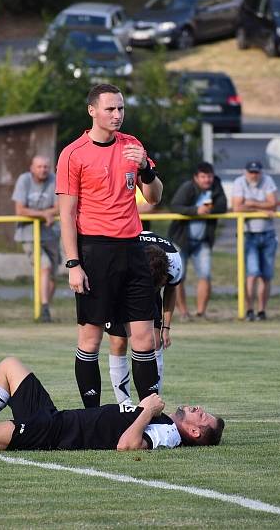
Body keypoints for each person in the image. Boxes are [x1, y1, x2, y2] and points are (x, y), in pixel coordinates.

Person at [56, 83, 164, 409]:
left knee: (145, 337)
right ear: (92, 111)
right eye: (110, 109)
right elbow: (66, 213)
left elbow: (155, 198)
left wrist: (146, 168)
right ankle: (93, 415)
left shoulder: (133, 145)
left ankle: (149, 413)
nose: (117, 115)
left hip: (133, 249)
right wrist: (73, 264)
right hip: (94, 252)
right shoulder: (73, 153)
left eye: (120, 109)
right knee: (91, 339)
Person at [0, 356, 225, 454]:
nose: (195, 407)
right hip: (56, 419)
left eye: (200, 414)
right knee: (10, 366)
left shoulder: (170, 435)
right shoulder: (165, 421)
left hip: (55, 435)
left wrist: (146, 410)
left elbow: (126, 446)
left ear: (195, 431)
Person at [106, 231, 183, 405]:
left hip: (150, 280)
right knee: (118, 342)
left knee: (154, 342)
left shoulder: (174, 262)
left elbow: (171, 290)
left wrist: (166, 328)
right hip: (122, 286)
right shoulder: (123, 257)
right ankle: (124, 405)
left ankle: (153, 402)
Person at [167, 162, 227, 320]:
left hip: (203, 241)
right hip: (181, 240)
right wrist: (196, 211)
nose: (207, 180)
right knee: (178, 277)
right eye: (203, 176)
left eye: (209, 176)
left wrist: (209, 210)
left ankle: (201, 313)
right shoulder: (187, 187)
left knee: (205, 275)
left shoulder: (216, 186)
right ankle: (183, 313)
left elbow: (223, 206)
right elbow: (175, 206)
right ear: (196, 177)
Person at [12, 156, 60, 323]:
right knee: (44, 267)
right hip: (29, 233)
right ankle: (44, 309)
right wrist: (43, 213)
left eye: (46, 167)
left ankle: (43, 308)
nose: (43, 170)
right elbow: (20, 210)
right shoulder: (24, 180)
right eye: (39, 166)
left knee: (53, 275)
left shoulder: (55, 179)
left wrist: (49, 213)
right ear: (32, 168)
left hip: (51, 233)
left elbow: (59, 206)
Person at [231, 160, 278, 322]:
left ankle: (262, 311)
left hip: (268, 233)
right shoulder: (239, 182)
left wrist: (249, 203)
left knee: (266, 275)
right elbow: (237, 207)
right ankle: (249, 309)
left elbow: (273, 204)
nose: (254, 175)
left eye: (256, 172)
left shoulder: (268, 180)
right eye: (251, 172)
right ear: (245, 172)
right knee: (251, 273)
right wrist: (260, 207)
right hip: (248, 234)